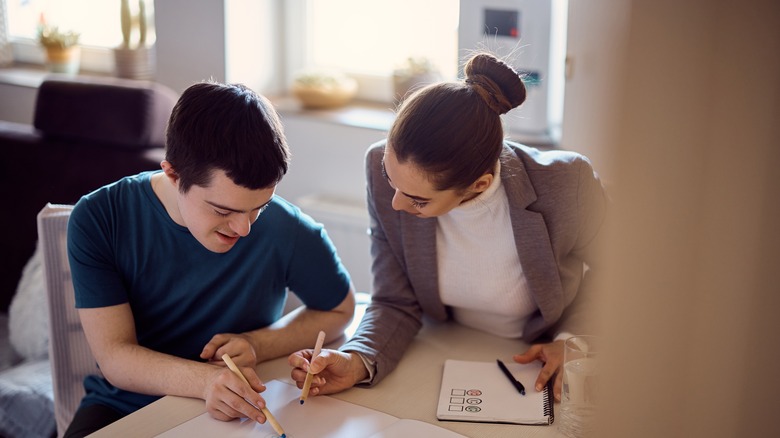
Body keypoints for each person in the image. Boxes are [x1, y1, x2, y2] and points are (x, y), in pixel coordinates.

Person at [288, 52, 607, 402]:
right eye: (389, 179)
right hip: (440, 350)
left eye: (418, 200)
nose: (396, 204)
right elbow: (394, 301)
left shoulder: (565, 184)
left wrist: (572, 342)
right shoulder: (382, 171)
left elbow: (624, 271)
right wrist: (357, 360)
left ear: (480, 185)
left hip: (532, 366)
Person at [65, 81, 356, 437]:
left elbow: (339, 310)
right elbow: (115, 356)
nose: (244, 228)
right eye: (223, 210)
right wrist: (206, 381)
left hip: (245, 406)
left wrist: (258, 344)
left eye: (258, 208)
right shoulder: (99, 217)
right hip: (125, 406)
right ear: (173, 175)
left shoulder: (288, 227)